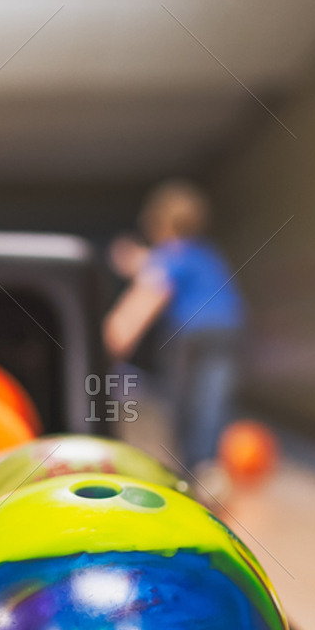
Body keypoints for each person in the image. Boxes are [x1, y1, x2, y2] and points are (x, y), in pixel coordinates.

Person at [103, 180, 243, 473]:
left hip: (191, 333)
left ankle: (191, 469)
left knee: (183, 403)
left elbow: (147, 298)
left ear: (159, 224)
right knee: (212, 402)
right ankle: (209, 465)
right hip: (229, 330)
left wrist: (110, 343)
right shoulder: (206, 253)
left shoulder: (169, 253)